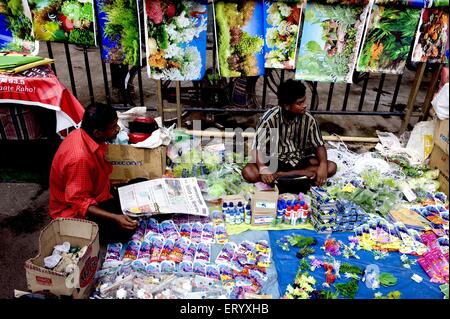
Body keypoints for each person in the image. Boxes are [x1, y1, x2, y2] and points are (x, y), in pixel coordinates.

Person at [49, 102, 139, 237]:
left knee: (139, 183)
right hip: (73, 215)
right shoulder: (79, 159)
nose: (117, 129)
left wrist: (110, 183)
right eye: (113, 127)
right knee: (128, 228)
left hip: (95, 195)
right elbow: (80, 203)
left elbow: (91, 178)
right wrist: (115, 218)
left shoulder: (85, 135)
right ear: (97, 132)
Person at [242, 79, 336, 187]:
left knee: (331, 167)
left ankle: (282, 177)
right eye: (299, 103)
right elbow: (257, 148)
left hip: (299, 161)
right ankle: (299, 177)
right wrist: (263, 169)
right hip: (274, 161)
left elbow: (319, 144)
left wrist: (323, 165)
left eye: (304, 101)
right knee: (249, 172)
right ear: (286, 106)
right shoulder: (268, 120)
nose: (304, 105)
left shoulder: (309, 119)